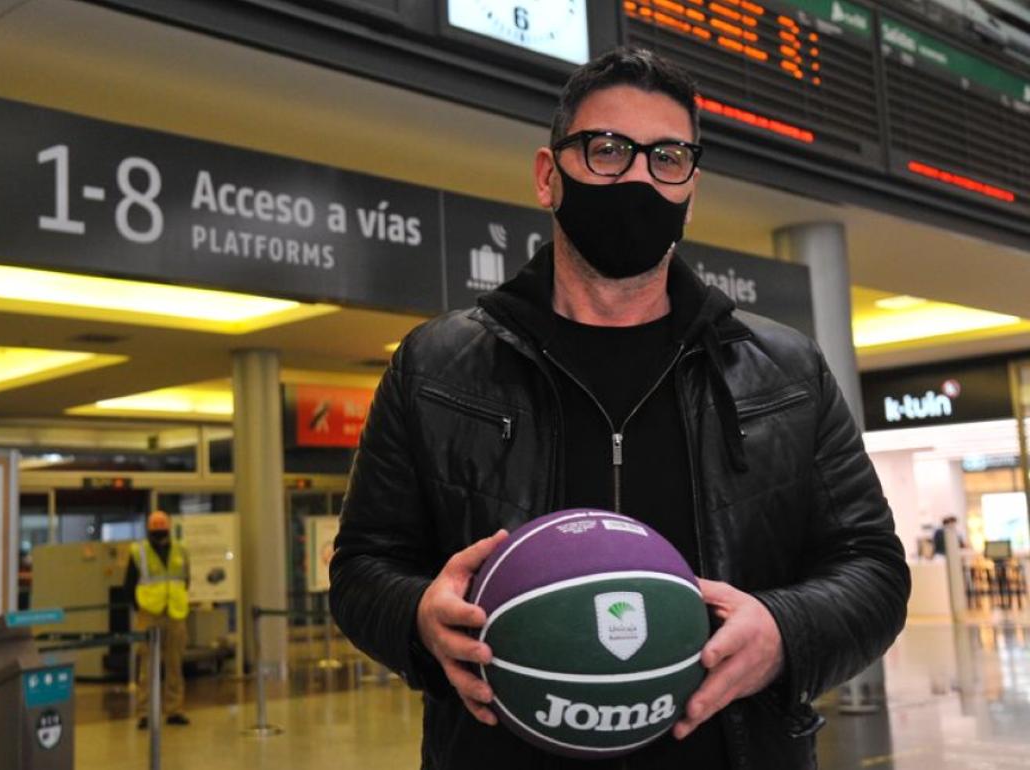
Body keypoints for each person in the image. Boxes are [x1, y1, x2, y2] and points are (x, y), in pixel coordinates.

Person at [329, 47, 910, 769]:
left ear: (690, 189)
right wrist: (416, 617)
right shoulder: (436, 368)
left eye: (667, 157)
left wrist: (785, 632)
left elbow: (874, 570)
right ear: (550, 175)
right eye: (607, 150)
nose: (637, 176)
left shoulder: (785, 373)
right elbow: (362, 569)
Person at [123, 510, 191, 728]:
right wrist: (141, 607)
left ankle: (174, 710)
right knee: (147, 666)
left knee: (175, 665)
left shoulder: (181, 549)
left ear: (169, 525)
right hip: (149, 614)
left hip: (175, 613)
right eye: (155, 524)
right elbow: (128, 585)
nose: (159, 527)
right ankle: (145, 713)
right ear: (148, 528)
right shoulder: (138, 551)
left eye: (162, 523)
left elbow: (185, 580)